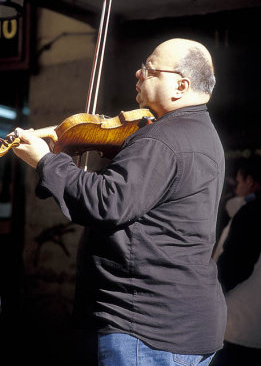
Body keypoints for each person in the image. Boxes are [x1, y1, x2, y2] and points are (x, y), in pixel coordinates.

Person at [11, 38, 226, 366]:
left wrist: (46, 162)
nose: (138, 74)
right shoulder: (201, 133)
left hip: (145, 326)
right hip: (182, 324)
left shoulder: (162, 139)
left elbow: (106, 202)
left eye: (150, 70)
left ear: (181, 85)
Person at [211, 156, 261, 365]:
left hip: (237, 327)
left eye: (239, 181)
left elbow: (233, 267)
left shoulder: (250, 212)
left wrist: (211, 293)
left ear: (250, 181)